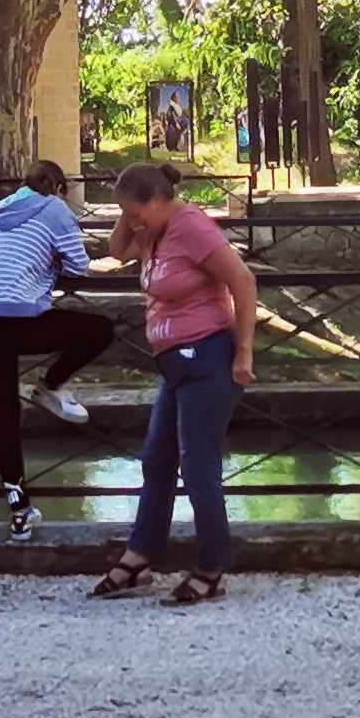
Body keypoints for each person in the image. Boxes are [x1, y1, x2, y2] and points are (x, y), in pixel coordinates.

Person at [88, 161, 254, 604]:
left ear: (160, 200)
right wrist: (131, 217)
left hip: (208, 359)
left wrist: (243, 351)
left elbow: (243, 280)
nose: (132, 219)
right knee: (156, 462)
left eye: (137, 211)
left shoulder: (192, 228)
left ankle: (212, 567)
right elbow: (117, 250)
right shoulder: (151, 228)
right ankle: (141, 554)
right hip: (175, 365)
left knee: (198, 468)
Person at [0, 161, 112, 537]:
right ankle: (51, 385)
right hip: (18, 317)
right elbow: (78, 265)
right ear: (56, 187)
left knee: (5, 415)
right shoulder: (55, 208)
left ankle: (20, 510)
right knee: (99, 329)